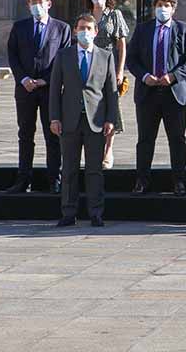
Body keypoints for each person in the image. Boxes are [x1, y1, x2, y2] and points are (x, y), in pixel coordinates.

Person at [50, 14, 120, 228]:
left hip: (96, 121)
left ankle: (96, 212)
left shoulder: (105, 56)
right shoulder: (64, 55)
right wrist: (54, 117)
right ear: (75, 30)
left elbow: (111, 91)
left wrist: (111, 119)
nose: (85, 32)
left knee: (94, 170)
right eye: (81, 28)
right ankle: (68, 212)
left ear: (96, 32)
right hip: (69, 120)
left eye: (89, 28)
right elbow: (55, 89)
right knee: (69, 168)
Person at [127, 0, 186, 195]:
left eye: (167, 5)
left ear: (173, 9)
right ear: (154, 7)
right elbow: (132, 59)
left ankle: (179, 181)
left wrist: (174, 76)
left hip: (174, 93)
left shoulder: (184, 30)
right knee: (145, 139)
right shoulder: (142, 30)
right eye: (159, 4)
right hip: (147, 92)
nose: (163, 8)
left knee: (177, 139)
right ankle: (142, 180)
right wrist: (144, 75)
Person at [5, 0, 72, 194]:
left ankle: (55, 179)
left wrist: (45, 80)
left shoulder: (62, 28)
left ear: (49, 4)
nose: (37, 5)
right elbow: (12, 55)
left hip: (49, 90)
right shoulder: (19, 27)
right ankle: (23, 179)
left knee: (52, 134)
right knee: (25, 134)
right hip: (25, 89)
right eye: (33, 2)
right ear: (28, 5)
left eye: (40, 1)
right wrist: (23, 78)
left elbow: (64, 57)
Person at [84, 0, 129, 170]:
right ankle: (94, 149)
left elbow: (121, 45)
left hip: (109, 66)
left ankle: (108, 150)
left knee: (111, 107)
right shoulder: (86, 17)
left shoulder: (115, 15)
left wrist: (120, 70)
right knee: (91, 107)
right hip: (90, 66)